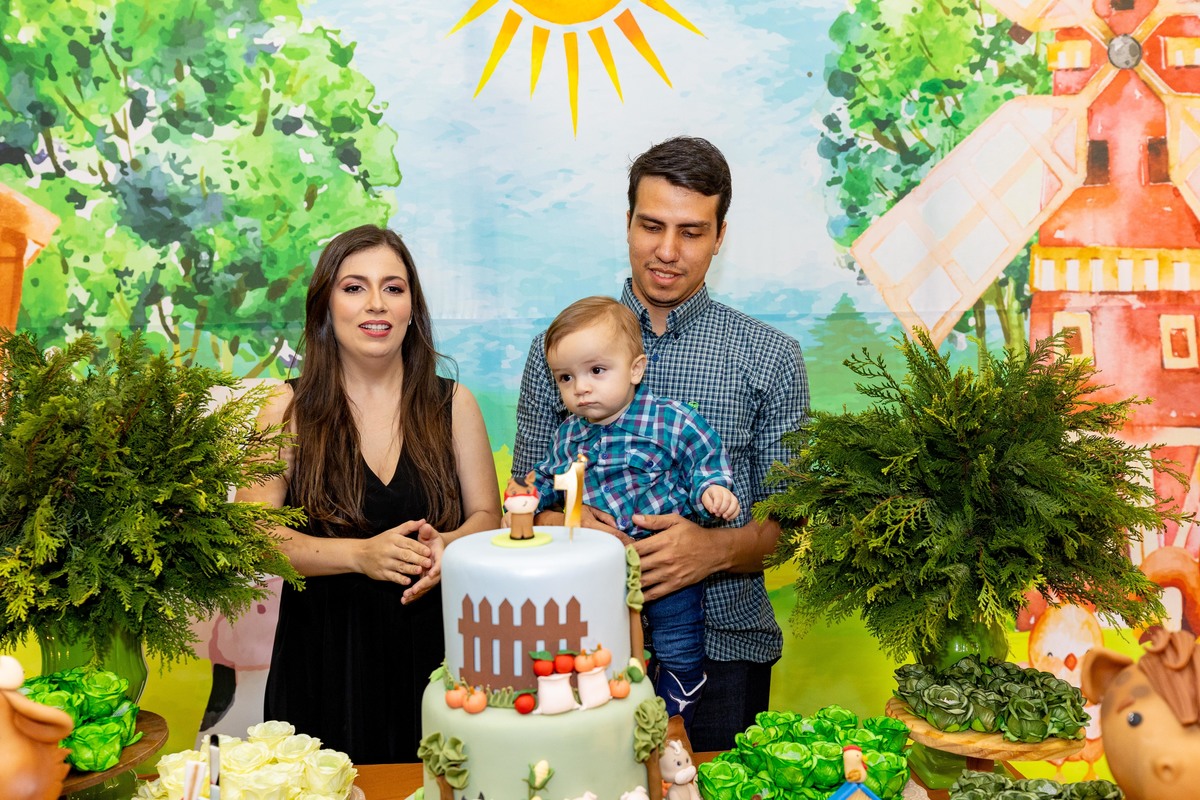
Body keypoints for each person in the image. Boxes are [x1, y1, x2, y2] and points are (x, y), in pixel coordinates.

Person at [513, 136, 809, 751]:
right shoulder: (560, 351)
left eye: (692, 232)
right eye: (652, 226)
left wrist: (710, 551)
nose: (668, 251)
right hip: (581, 647)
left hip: (726, 651)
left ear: (721, 236)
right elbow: (522, 502)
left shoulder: (771, 357)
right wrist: (565, 524)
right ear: (627, 222)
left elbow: (790, 527)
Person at [237, 224, 501, 763]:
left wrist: (447, 546)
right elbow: (250, 535)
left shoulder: (454, 404)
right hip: (322, 662)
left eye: (393, 288)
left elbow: (487, 516)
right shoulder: (284, 410)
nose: (376, 303)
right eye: (354, 287)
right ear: (325, 305)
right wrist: (359, 555)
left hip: (438, 659)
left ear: (412, 308)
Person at [526, 296, 740, 726]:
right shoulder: (567, 435)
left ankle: (683, 680)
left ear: (636, 370)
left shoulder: (669, 420)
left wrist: (713, 490)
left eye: (596, 371)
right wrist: (531, 496)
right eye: (566, 377)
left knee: (676, 631)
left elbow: (703, 458)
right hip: (598, 570)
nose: (581, 388)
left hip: (665, 560)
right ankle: (614, 691)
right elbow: (548, 479)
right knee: (603, 641)